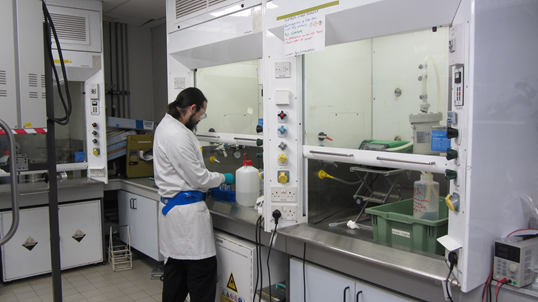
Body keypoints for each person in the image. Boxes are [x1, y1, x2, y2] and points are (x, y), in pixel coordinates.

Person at [153, 87, 234, 302]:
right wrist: (225, 178)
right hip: (186, 217)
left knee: (175, 275)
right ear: (191, 108)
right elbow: (199, 178)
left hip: (174, 213)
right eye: (201, 113)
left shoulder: (167, 125)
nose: (200, 119)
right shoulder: (176, 135)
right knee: (201, 276)